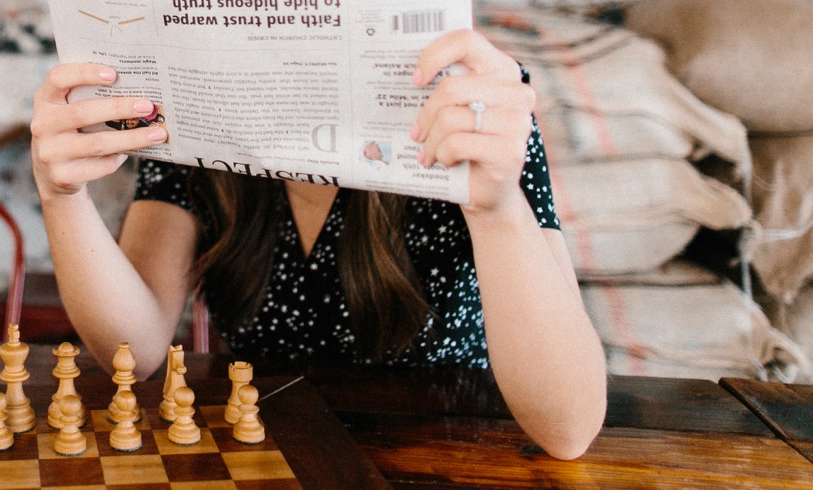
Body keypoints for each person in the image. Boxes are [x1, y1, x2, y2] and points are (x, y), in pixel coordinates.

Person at [30, 28, 607, 460]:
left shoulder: (471, 108)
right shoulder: (194, 107)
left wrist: (496, 206)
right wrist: (61, 197)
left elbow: (569, 429)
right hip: (266, 456)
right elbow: (134, 351)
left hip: (450, 456)